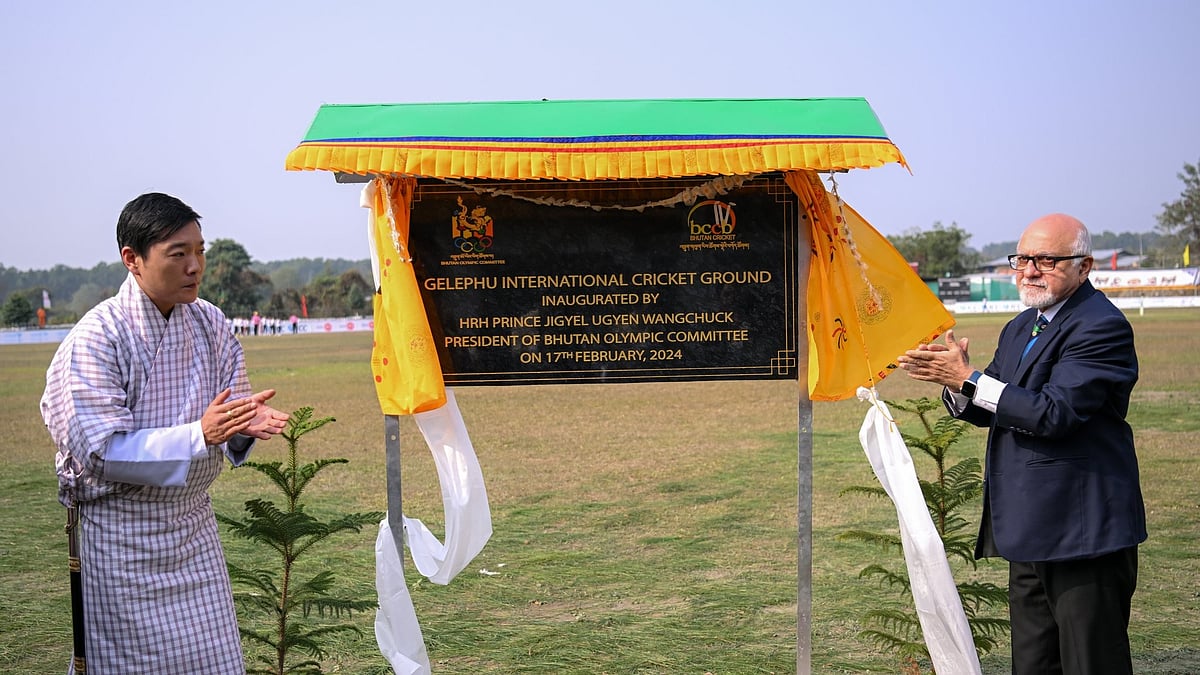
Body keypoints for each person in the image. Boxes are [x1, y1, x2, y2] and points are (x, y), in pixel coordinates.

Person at [41, 192, 290, 674]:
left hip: (193, 532)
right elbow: (99, 451)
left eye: (200, 251)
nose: (195, 266)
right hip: (122, 538)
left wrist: (242, 425)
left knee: (213, 661)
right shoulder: (97, 336)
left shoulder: (211, 322)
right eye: (178, 254)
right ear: (132, 259)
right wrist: (199, 435)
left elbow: (228, 410)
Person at [897, 213, 1145, 674]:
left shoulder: (1100, 326)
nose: (1030, 270)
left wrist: (970, 379)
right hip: (1030, 527)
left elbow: (1054, 413)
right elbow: (991, 402)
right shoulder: (1021, 326)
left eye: (1047, 260)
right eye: (1023, 258)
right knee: (1032, 662)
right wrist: (956, 383)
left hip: (1082, 531)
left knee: (1091, 660)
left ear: (1085, 266)